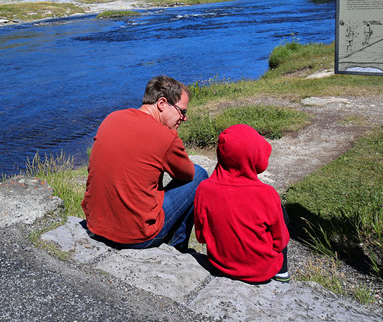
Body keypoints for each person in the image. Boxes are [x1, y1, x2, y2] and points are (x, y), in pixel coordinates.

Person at [81, 75, 208, 251]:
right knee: (200, 173)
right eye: (182, 111)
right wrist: (171, 137)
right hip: (137, 236)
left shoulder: (112, 117)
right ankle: (176, 247)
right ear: (162, 103)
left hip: (95, 225)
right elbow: (187, 174)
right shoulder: (165, 136)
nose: (184, 118)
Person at [194, 123, 290, 283]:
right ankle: (282, 274)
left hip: (220, 265)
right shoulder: (267, 194)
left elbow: (201, 236)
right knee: (282, 216)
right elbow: (280, 241)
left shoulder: (204, 189)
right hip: (262, 271)